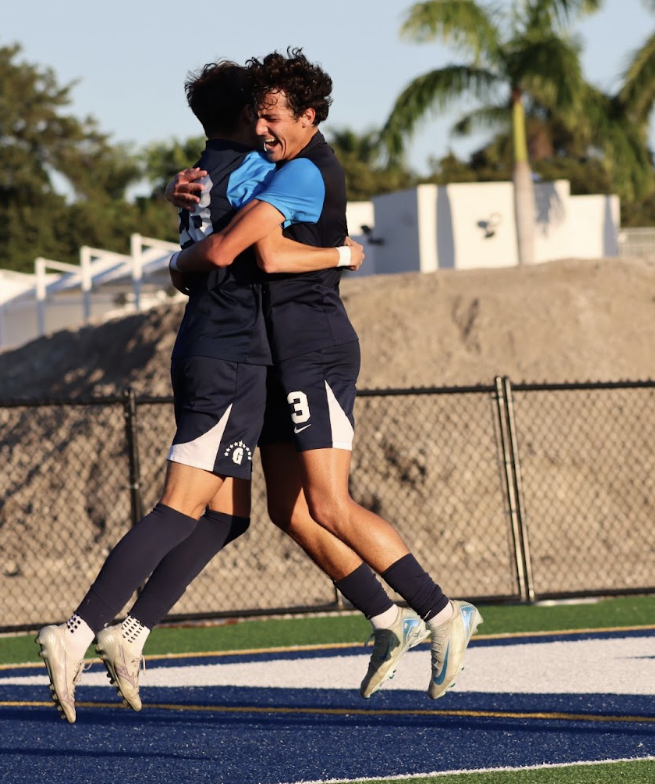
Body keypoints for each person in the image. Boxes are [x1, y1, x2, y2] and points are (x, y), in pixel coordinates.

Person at [35, 60, 397, 724]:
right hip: (233, 354)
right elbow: (252, 242)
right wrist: (343, 252)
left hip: (221, 349)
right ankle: (79, 630)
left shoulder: (200, 174)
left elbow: (196, 253)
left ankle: (132, 633)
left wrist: (179, 242)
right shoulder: (260, 172)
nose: (268, 124)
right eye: (259, 112)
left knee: (228, 516)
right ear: (244, 116)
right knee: (182, 507)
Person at [169, 48, 482, 701]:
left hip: (314, 349)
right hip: (279, 353)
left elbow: (271, 255)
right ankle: (387, 619)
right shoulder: (274, 160)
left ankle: (445, 614)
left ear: (310, 116)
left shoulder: (309, 170)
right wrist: (187, 190)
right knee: (289, 512)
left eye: (275, 116)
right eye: (257, 115)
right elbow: (222, 194)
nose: (263, 129)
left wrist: (341, 253)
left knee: (330, 503)